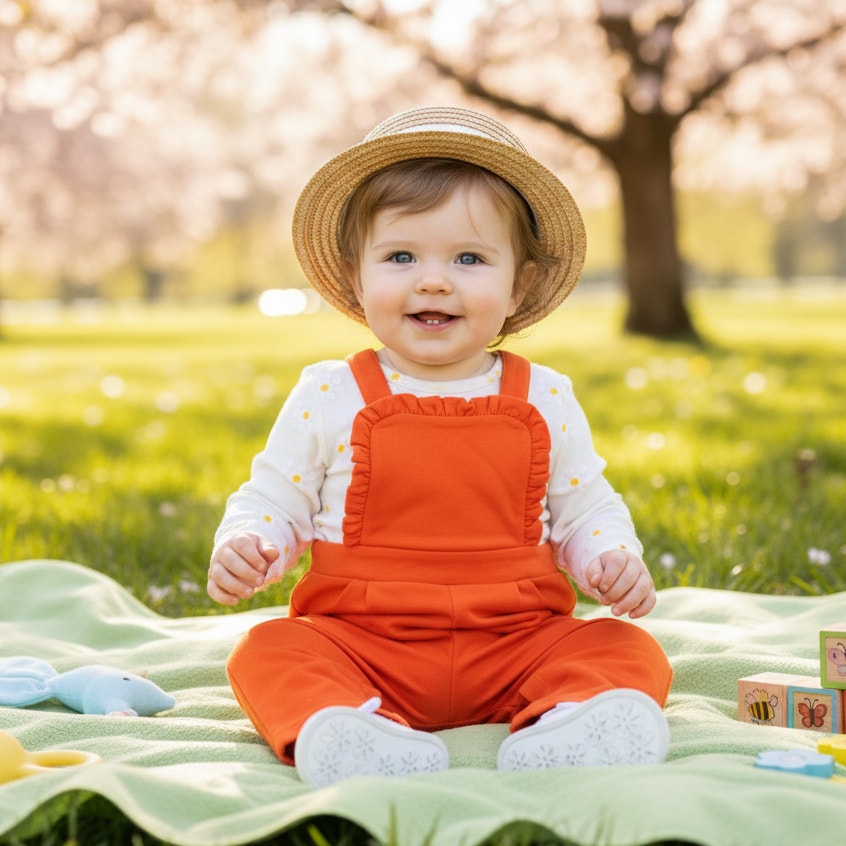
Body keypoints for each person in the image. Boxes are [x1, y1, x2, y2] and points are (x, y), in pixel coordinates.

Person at [208, 106, 673, 788]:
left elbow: (584, 506)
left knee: (625, 647)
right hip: (364, 644)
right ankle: (352, 729)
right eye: (401, 256)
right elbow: (275, 497)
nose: (433, 280)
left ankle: (569, 723)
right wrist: (253, 543)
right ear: (356, 277)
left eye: (469, 258)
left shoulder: (544, 396)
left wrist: (610, 556)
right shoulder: (329, 392)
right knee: (269, 649)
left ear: (520, 284)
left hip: (516, 642)